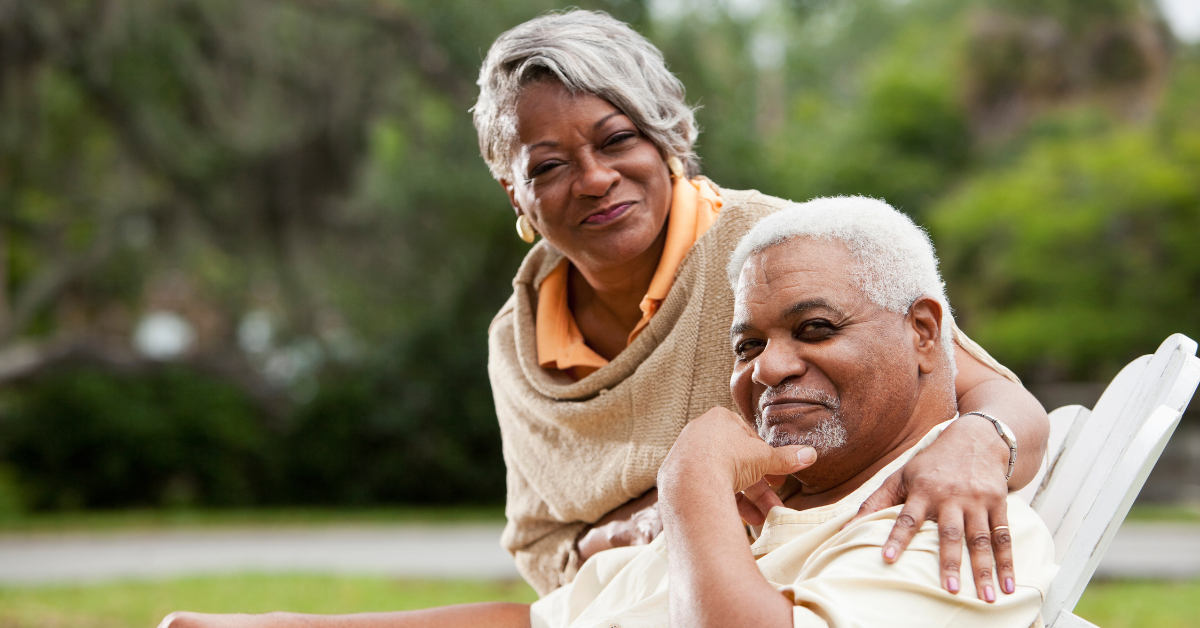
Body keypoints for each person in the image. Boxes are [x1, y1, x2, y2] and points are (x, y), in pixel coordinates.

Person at [161, 196, 1059, 628]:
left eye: (814, 328)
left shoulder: (952, 528)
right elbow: (548, 624)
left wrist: (693, 477)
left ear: (923, 333)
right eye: (746, 346)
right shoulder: (778, 509)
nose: (772, 367)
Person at [475, 9, 1050, 597]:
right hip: (631, 599)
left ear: (665, 135)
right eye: (548, 166)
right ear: (513, 192)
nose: (595, 179)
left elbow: (996, 396)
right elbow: (539, 541)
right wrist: (621, 533)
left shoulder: (773, 255)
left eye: (618, 138)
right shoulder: (515, 341)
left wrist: (978, 444)